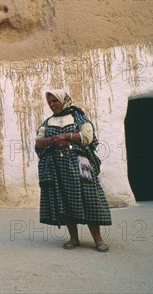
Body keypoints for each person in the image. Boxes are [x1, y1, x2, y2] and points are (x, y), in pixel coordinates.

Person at [35, 90, 111, 252]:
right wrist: (51, 140)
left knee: (90, 196)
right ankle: (74, 239)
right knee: (65, 198)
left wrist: (66, 136)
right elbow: (38, 142)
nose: (52, 104)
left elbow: (87, 136)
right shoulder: (47, 123)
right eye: (50, 102)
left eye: (55, 101)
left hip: (81, 162)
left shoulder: (78, 117)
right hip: (58, 165)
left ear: (63, 100)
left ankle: (98, 239)